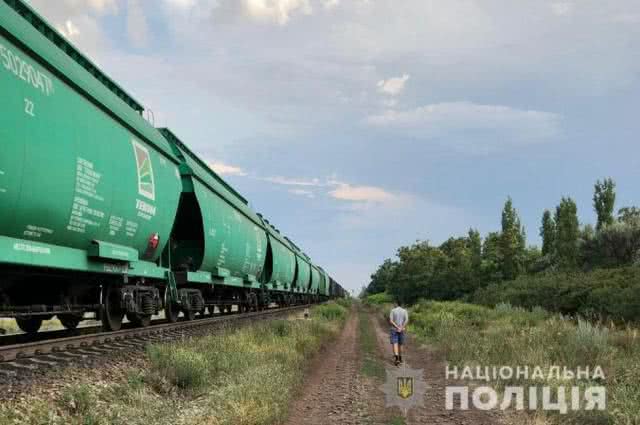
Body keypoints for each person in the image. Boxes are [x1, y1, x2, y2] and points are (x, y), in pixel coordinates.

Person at [389, 301, 409, 366]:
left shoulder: (393, 310)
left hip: (394, 329)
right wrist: (402, 327)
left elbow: (391, 321)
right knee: (400, 344)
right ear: (402, 304)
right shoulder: (404, 311)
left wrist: (397, 327)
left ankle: (396, 358)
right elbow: (406, 320)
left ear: (396, 304)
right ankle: (400, 358)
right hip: (402, 329)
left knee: (395, 343)